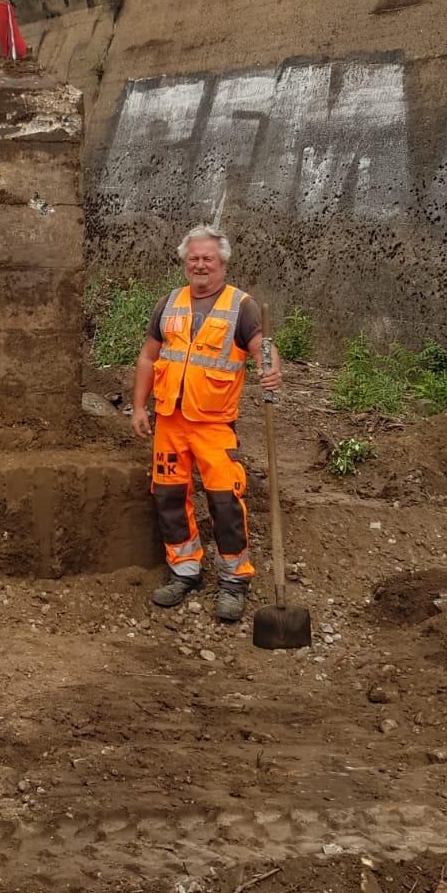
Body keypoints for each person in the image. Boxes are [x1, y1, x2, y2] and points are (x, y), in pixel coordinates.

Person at [130, 227, 282, 619]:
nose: (200, 265)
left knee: (225, 502)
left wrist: (271, 368)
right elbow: (148, 357)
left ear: (222, 263)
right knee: (168, 498)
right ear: (185, 262)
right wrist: (138, 407)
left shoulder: (241, 307)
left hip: (214, 425)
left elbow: (261, 347)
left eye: (207, 259)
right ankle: (185, 570)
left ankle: (234, 580)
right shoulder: (169, 303)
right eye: (193, 258)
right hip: (170, 422)